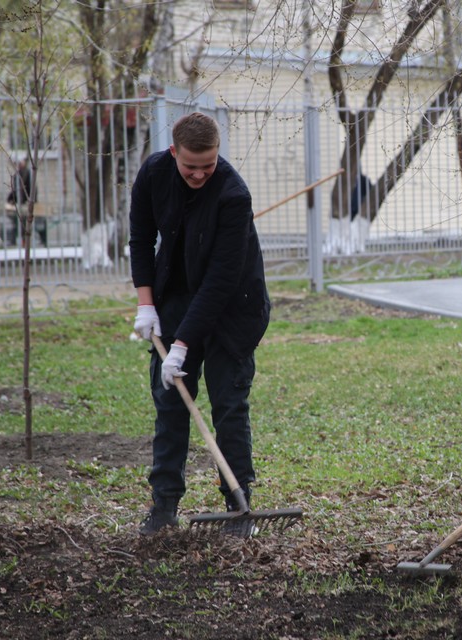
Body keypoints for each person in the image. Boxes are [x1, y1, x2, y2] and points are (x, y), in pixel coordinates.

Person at [129, 112, 271, 537]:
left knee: (228, 405)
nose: (198, 173)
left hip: (233, 308)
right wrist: (146, 305)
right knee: (171, 402)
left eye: (207, 166)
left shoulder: (233, 196)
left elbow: (221, 282)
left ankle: (238, 502)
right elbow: (140, 238)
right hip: (175, 299)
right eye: (190, 166)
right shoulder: (154, 174)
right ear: (174, 152)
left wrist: (183, 345)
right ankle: (164, 506)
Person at [7, 159, 36, 245]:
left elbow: (31, 189)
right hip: (20, 203)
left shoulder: (27, 174)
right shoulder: (18, 174)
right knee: (19, 223)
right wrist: (11, 199)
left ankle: (25, 240)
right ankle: (21, 240)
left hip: (25, 203)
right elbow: (15, 190)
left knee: (24, 222)